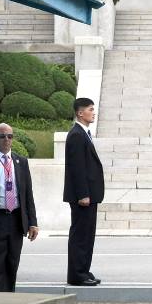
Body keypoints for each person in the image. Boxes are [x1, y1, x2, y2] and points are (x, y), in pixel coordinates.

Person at [0, 123, 39, 292]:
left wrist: (32, 222)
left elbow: (28, 194)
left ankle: (9, 300)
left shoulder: (20, 161)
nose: (7, 140)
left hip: (16, 219)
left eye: (10, 136)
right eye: (2, 136)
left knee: (12, 264)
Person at [64, 97, 104, 287]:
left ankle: (84, 271)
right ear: (80, 113)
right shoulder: (76, 135)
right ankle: (76, 274)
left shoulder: (84, 133)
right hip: (83, 197)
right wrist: (83, 194)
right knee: (80, 235)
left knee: (88, 235)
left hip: (90, 195)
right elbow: (77, 168)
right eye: (90, 109)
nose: (93, 112)